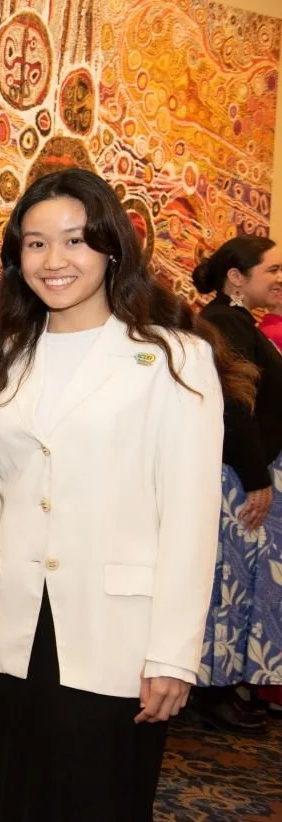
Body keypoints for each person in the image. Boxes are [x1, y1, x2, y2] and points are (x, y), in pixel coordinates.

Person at [0, 168, 248, 822]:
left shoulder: (173, 358)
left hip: (114, 635)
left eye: (73, 241)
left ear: (111, 248)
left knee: (99, 820)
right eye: (35, 244)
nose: (54, 261)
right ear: (16, 258)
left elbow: (188, 517)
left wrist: (172, 655)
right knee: (7, 816)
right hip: (11, 629)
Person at [192, 235, 282, 728]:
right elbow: (234, 409)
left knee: (238, 584)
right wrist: (256, 479)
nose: (278, 278)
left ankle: (224, 684)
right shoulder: (225, 323)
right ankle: (212, 689)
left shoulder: (243, 323)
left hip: (245, 473)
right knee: (227, 584)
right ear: (236, 277)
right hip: (236, 478)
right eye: (271, 270)